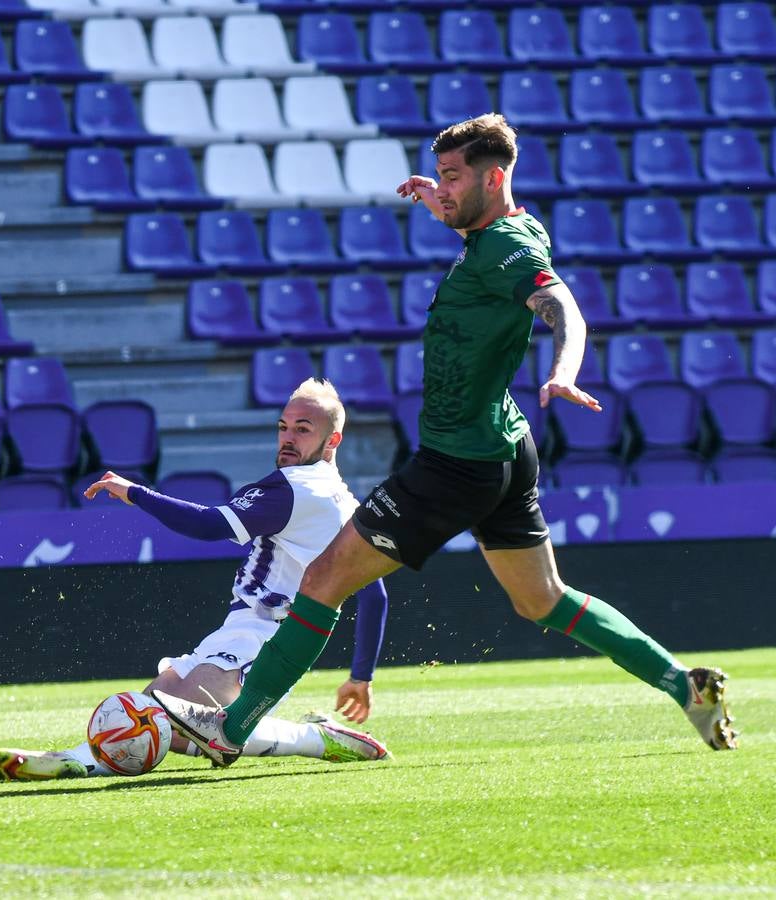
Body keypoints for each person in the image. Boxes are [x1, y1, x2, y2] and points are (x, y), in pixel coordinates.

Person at [155, 113, 739, 766]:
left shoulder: (508, 251)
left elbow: (561, 307)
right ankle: (680, 685)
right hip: (503, 449)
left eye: (453, 177)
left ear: (492, 177)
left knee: (321, 579)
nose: (443, 187)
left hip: (456, 462)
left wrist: (564, 371)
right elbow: (500, 243)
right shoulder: (510, 228)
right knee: (540, 598)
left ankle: (230, 730)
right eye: (439, 176)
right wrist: (448, 209)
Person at [0, 378, 391, 781]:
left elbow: (210, 524)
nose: (287, 438)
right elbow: (376, 594)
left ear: (332, 440)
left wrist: (135, 493)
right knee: (149, 711)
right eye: (283, 427)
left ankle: (313, 739)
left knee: (174, 720)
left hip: (268, 636)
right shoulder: (344, 503)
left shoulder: (296, 488)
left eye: (303, 430)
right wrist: (361, 677)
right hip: (242, 629)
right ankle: (75, 760)